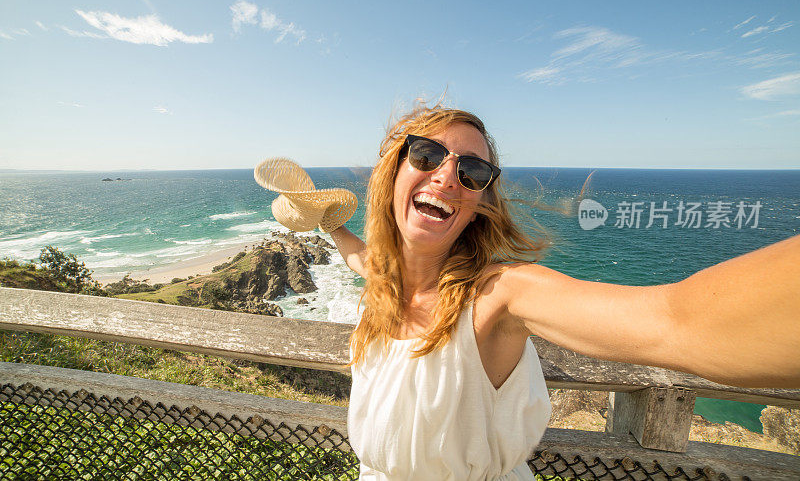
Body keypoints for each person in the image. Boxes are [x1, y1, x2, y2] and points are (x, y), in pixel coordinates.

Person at [257, 103, 800, 480]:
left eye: (472, 171)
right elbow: (363, 258)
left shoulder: (501, 297)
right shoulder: (384, 279)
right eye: (426, 155)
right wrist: (330, 224)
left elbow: (674, 322)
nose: (448, 177)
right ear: (391, 172)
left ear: (479, 202)